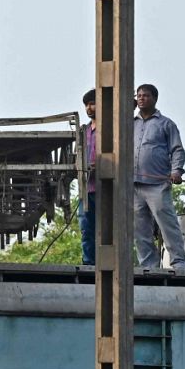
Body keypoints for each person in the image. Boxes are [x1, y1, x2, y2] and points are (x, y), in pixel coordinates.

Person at [132, 83, 185, 271]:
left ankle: (179, 263)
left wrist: (177, 171)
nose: (141, 98)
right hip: (134, 185)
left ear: (155, 99)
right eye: (139, 95)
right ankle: (148, 266)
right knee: (140, 230)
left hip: (158, 184)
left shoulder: (166, 124)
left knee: (167, 225)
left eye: (146, 95)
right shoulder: (129, 124)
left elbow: (177, 150)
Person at [80, 89, 98, 266]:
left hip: (107, 188)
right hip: (86, 188)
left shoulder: (111, 129)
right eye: (87, 105)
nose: (89, 108)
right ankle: (88, 263)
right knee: (86, 229)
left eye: (92, 103)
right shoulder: (83, 131)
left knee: (107, 229)